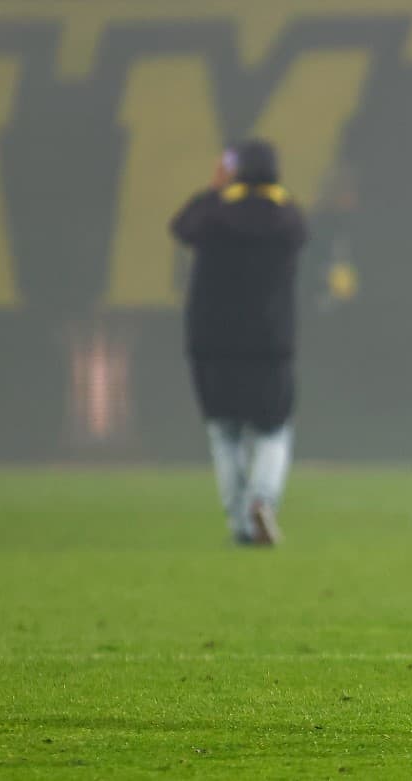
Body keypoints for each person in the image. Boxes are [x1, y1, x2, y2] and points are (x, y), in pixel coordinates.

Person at [170, 140, 308, 545]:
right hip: (269, 341)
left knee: (224, 433)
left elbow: (181, 227)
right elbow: (303, 231)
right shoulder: (287, 217)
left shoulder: (214, 214)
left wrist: (214, 189)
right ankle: (261, 501)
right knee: (273, 430)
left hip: (213, 340)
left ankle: (240, 523)